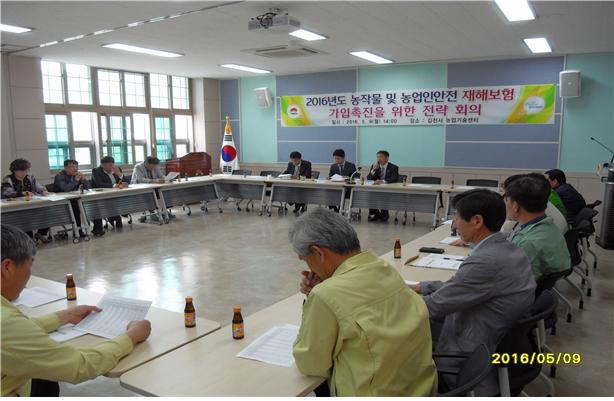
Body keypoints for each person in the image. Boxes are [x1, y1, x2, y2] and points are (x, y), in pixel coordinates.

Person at [291, 209, 437, 396]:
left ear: (318, 253)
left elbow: (310, 364)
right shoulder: (384, 267)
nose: (309, 268)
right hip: (421, 388)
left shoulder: (325, 294)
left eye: (305, 260)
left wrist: (316, 296)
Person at [408, 189, 536, 396]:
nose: (454, 224)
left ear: (477, 221)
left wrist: (390, 299)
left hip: (466, 356)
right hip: (489, 337)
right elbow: (463, 287)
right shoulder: (508, 248)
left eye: (457, 217)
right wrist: (423, 286)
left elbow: (432, 307)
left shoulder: (485, 261)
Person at [1, 224, 151, 396]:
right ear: (7, 267)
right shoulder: (8, 324)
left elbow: (18, 332)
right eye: (30, 265)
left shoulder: (9, 324)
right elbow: (80, 366)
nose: (29, 275)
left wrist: (64, 316)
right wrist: (131, 336)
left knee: (45, 380)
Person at [504, 175, 571, 282]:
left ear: (515, 206)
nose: (505, 204)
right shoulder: (548, 226)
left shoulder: (527, 244)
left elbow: (511, 280)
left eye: (507, 200)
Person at [1, 159, 51, 243]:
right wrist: (21, 193)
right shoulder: (8, 179)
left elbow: (39, 187)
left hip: (31, 203)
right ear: (14, 170)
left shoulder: (30, 177)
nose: (24, 173)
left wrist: (43, 191)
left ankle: (41, 233)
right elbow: (7, 192)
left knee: (47, 210)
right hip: (16, 206)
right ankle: (28, 238)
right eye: (22, 171)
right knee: (24, 215)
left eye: (26, 170)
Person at [52, 160, 89, 238]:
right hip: (60, 201)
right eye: (72, 167)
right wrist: (76, 180)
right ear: (65, 168)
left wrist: (83, 180)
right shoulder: (59, 176)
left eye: (76, 167)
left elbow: (87, 188)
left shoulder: (76, 175)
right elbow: (65, 189)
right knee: (76, 206)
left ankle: (78, 230)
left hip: (72, 199)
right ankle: (78, 231)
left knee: (78, 204)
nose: (75, 169)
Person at [91, 156, 126, 231]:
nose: (112, 167)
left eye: (113, 165)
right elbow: (99, 184)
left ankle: (116, 216)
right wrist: (114, 185)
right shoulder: (96, 171)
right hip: (101, 196)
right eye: (109, 165)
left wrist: (120, 175)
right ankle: (113, 217)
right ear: (102, 165)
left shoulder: (116, 169)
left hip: (116, 194)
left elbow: (126, 182)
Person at [366, 150, 399, 222]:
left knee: (384, 195)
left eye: (381, 157)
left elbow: (394, 179)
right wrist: (373, 170)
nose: (379, 159)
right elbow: (369, 178)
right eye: (377, 157)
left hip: (388, 190)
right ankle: (375, 214)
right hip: (376, 190)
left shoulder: (394, 167)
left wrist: (382, 181)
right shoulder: (374, 166)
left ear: (387, 158)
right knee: (370, 194)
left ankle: (384, 214)